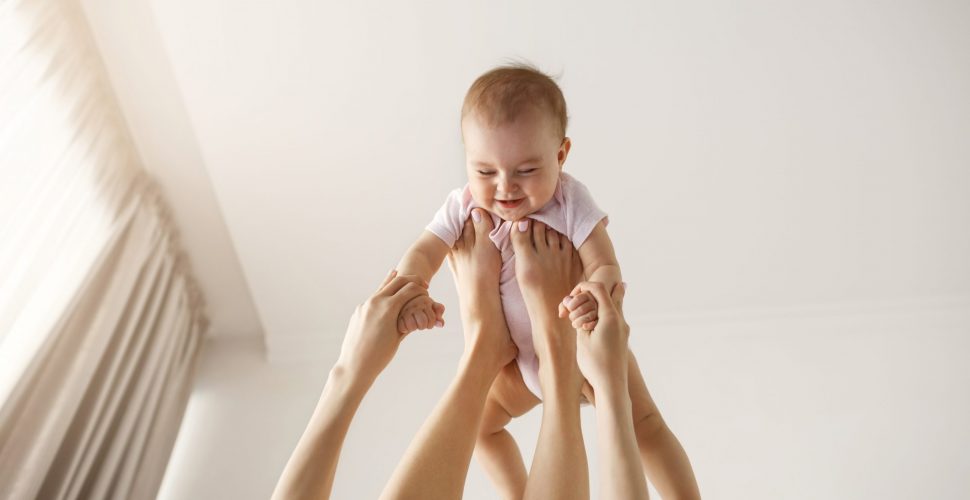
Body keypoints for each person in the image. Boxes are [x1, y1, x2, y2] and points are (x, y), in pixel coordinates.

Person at [390, 62, 701, 499]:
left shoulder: (569, 199)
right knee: (479, 428)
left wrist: (597, 289)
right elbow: (424, 249)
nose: (505, 187)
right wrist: (413, 284)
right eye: (485, 171)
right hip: (516, 363)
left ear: (560, 155)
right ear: (467, 161)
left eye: (526, 171)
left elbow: (604, 262)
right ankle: (524, 492)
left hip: (585, 349)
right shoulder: (462, 205)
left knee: (645, 423)